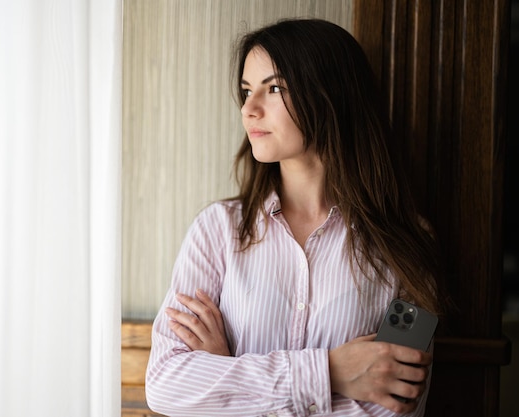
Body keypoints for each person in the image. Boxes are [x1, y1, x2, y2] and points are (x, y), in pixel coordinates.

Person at [145, 18, 442, 417]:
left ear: (331, 95)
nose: (249, 108)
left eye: (275, 88)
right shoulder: (216, 230)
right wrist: (331, 372)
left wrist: (228, 373)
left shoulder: (410, 244)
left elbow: (396, 402)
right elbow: (165, 384)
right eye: (247, 91)